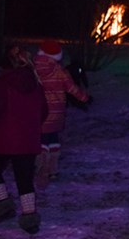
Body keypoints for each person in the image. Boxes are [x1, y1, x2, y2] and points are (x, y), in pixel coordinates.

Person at [0, 47, 49, 233]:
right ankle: (30, 219)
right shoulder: (36, 85)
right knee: (25, 179)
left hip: (4, 138)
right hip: (28, 139)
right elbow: (44, 111)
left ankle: (3, 205)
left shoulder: (3, 84)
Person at [32, 40, 89, 187]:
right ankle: (53, 169)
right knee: (53, 139)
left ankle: (41, 167)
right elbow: (71, 88)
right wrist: (84, 97)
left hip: (40, 111)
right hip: (57, 112)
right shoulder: (59, 71)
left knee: (42, 139)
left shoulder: (32, 69)